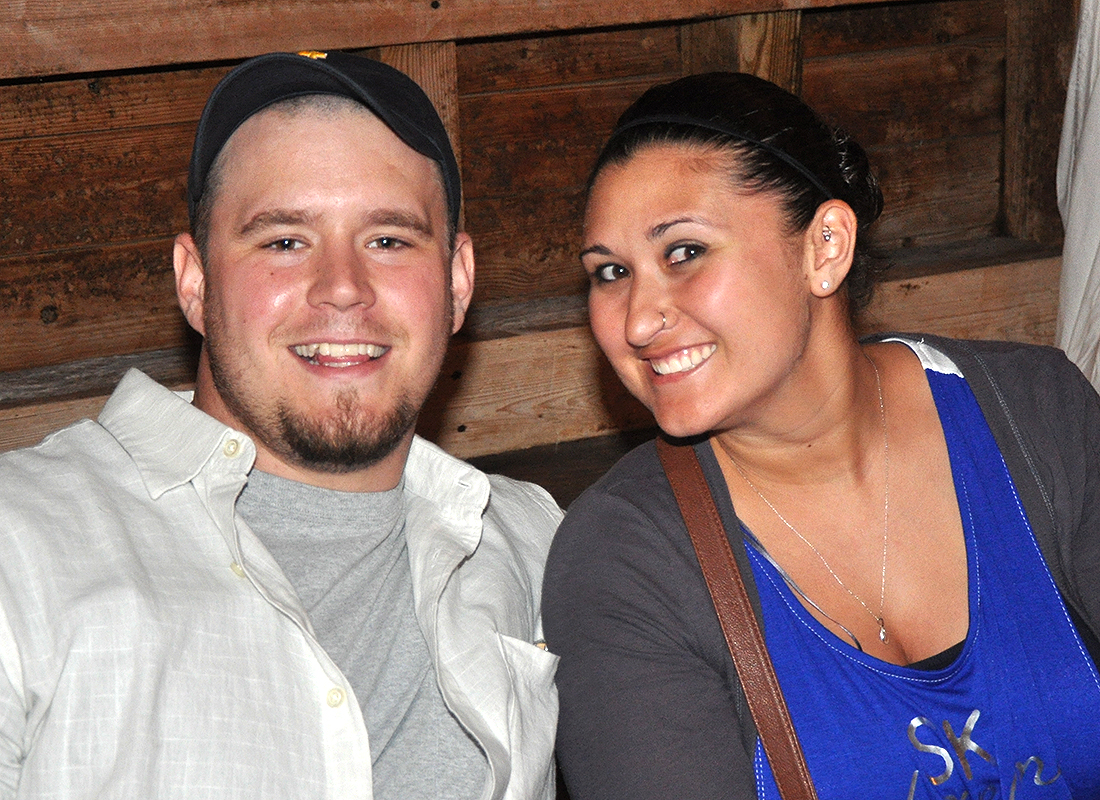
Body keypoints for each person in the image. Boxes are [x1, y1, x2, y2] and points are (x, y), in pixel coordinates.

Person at [0, 51, 562, 799]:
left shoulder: (535, 544)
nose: (342, 289)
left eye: (389, 239)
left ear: (457, 283)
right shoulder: (20, 547)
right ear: (195, 283)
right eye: (284, 241)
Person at [542, 72, 1100, 799]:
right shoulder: (626, 562)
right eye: (610, 272)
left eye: (683, 252)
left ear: (824, 247)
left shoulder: (1037, 415)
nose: (638, 319)